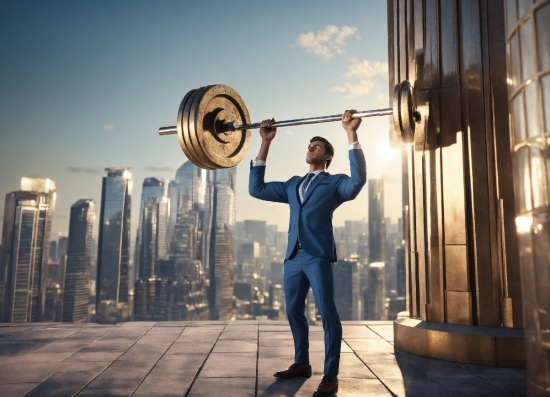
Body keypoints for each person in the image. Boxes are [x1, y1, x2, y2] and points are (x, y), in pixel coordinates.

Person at [248, 110, 367, 397]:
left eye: (317, 145)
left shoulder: (336, 182)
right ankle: (302, 362)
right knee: (292, 310)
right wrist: (266, 142)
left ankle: (330, 374)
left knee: (327, 313)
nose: (310, 147)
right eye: (309, 144)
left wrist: (351, 134)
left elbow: (358, 181)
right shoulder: (292, 184)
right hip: (293, 257)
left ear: (327, 155)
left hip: (317, 255)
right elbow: (256, 189)